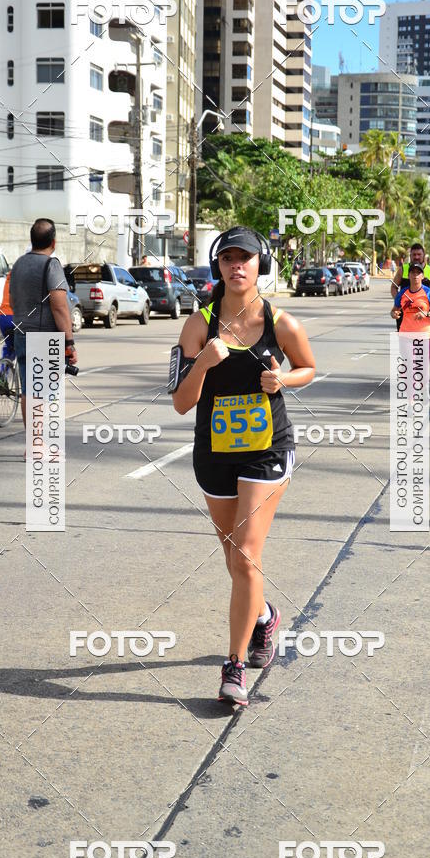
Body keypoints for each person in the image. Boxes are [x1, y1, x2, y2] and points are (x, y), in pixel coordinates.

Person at [171, 226, 315, 706]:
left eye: (246, 258)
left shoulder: (282, 322)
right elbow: (179, 403)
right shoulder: (197, 327)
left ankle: (233, 668)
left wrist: (284, 380)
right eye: (228, 258)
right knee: (235, 558)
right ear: (218, 267)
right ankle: (263, 617)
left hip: (267, 448)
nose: (237, 266)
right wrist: (203, 364)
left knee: (247, 553)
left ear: (261, 265)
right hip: (213, 452)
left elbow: (308, 368)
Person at [9, 218, 77, 434]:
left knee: (28, 391)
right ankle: (38, 445)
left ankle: (34, 445)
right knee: (44, 393)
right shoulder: (51, 264)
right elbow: (59, 306)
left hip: (21, 332)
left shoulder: (18, 264)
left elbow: (12, 300)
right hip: (44, 336)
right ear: (54, 242)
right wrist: (69, 342)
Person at [391, 262, 430, 362]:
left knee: (421, 372)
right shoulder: (402, 293)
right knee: (408, 368)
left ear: (422, 276)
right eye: (412, 273)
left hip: (425, 335)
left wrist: (426, 314)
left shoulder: (428, 292)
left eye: (418, 273)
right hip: (406, 335)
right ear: (408, 276)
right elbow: (393, 311)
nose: (415, 275)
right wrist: (394, 314)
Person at [390, 243, 430, 331]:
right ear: (410, 256)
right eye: (414, 254)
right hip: (404, 312)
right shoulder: (403, 269)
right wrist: (399, 301)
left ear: (424, 255)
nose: (416, 257)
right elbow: (394, 287)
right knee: (402, 341)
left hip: (422, 312)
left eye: (419, 254)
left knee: (420, 340)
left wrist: (429, 302)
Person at [0, 271, 15, 360]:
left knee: (9, 346)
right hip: (16, 317)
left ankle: (2, 370)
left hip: (3, 317)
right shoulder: (27, 279)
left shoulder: (9, 278)